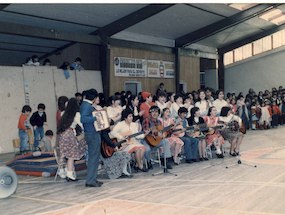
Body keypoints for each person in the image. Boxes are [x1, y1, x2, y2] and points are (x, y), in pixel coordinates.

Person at [57, 98, 86, 181]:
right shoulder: (76, 114)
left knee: (66, 154)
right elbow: (82, 125)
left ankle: (65, 170)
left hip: (62, 134)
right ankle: (69, 174)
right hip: (69, 134)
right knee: (71, 156)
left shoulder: (64, 113)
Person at [80, 89, 103, 187]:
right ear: (94, 98)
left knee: (95, 157)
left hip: (92, 133)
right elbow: (83, 119)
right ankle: (90, 180)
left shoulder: (86, 104)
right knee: (93, 157)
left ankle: (93, 178)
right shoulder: (86, 105)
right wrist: (96, 117)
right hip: (92, 133)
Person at [142, 105, 173, 169]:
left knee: (166, 141)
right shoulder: (147, 120)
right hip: (147, 141)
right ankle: (148, 162)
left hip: (156, 141)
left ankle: (165, 160)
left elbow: (161, 131)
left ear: (159, 113)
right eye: (153, 112)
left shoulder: (159, 121)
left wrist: (164, 134)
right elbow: (146, 131)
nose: (154, 113)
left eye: (156, 112)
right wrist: (154, 133)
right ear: (150, 113)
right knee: (147, 149)